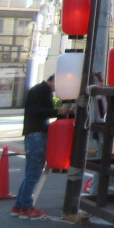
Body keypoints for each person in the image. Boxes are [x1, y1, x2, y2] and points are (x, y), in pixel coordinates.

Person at [10, 74, 68, 219]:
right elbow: (37, 110)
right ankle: (26, 208)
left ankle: (19, 206)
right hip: (36, 134)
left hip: (34, 133)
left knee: (31, 172)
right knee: (34, 173)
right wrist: (57, 112)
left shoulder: (41, 90)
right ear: (54, 81)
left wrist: (57, 112)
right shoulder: (40, 90)